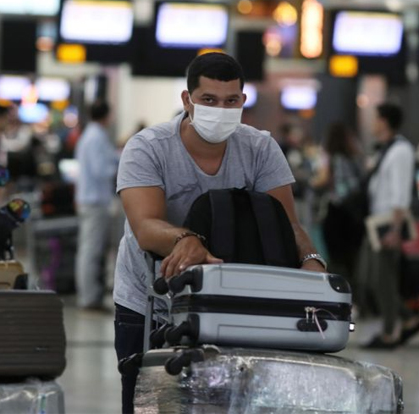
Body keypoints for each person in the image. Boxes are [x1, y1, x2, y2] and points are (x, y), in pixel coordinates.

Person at [113, 52, 326, 413]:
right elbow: (146, 227)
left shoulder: (259, 148)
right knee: (148, 401)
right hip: (150, 301)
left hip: (232, 303)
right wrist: (186, 239)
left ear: (243, 101)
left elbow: (287, 224)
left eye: (230, 101)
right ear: (187, 100)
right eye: (208, 100)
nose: (220, 109)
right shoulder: (148, 148)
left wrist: (310, 262)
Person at [358, 103, 419, 349]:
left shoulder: (401, 150)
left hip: (388, 223)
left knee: (382, 280)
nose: (373, 124)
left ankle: (389, 333)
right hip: (376, 222)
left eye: (375, 118)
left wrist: (395, 229)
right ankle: (408, 319)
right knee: (370, 279)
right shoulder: (387, 149)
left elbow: (400, 191)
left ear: (384, 121)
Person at [75, 100, 119, 311]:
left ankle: (92, 295)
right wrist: (120, 164)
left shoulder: (93, 135)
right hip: (94, 201)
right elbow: (102, 170)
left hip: (94, 200)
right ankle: (89, 298)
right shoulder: (95, 137)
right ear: (106, 115)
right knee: (91, 251)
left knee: (93, 250)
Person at [311, 122, 364, 286]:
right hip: (354, 214)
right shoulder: (355, 158)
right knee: (352, 258)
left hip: (336, 213)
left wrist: (309, 181)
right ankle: (357, 299)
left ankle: (342, 293)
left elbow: (322, 181)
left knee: (336, 258)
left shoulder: (331, 158)